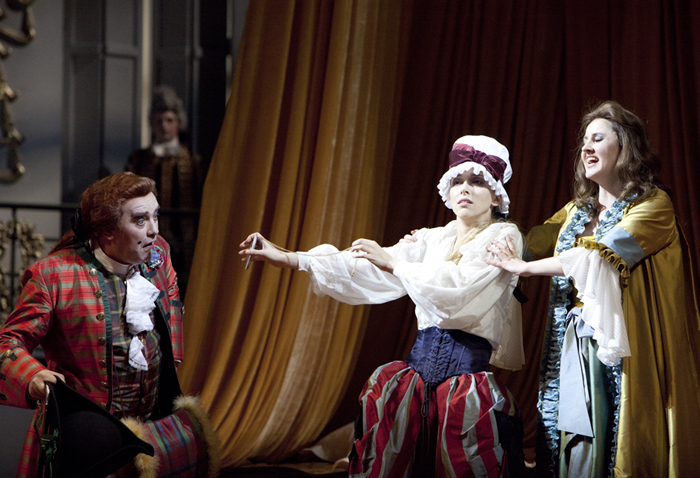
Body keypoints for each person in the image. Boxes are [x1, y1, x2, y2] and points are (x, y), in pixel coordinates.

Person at [240, 136, 527, 477]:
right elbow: (365, 268)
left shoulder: (504, 237)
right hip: (415, 386)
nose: (464, 188)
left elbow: (457, 291)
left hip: (463, 392)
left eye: (477, 181)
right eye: (457, 180)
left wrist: (394, 264)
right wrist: (291, 258)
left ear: (496, 193)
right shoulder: (434, 239)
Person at [485, 101, 700, 477]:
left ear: (626, 147)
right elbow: (527, 243)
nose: (585, 148)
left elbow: (599, 256)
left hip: (626, 347)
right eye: (584, 140)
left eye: (597, 138)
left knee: (617, 433)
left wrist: (525, 268)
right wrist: (469, 231)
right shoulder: (575, 212)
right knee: (576, 436)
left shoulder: (654, 206)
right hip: (575, 344)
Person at [0, 172, 217, 477]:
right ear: (107, 231)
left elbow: (171, 295)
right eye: (140, 220)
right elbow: (6, 343)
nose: (154, 230)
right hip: (85, 440)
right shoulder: (54, 275)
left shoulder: (159, 255)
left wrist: (172, 355)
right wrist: (32, 375)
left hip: (152, 433)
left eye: (156, 216)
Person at [126, 85, 204, 292]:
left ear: (178, 123)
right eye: (158, 121)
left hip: (187, 241)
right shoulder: (138, 160)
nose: (164, 126)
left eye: (169, 120)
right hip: (146, 236)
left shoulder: (195, 163)